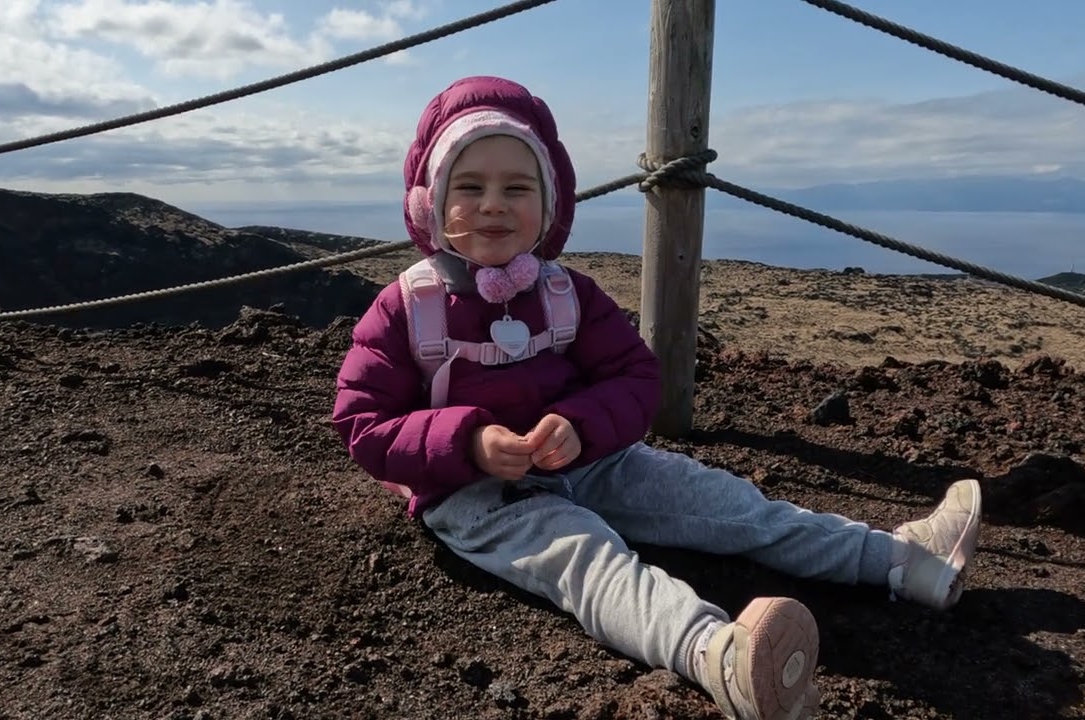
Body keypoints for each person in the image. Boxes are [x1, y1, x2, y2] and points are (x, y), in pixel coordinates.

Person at [331, 75, 982, 720]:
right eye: (469, 187)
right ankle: (723, 660)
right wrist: (468, 441)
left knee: (732, 505)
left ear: (550, 204)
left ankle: (904, 562)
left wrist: (581, 426)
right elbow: (362, 422)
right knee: (588, 560)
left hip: (593, 460)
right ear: (430, 204)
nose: (494, 204)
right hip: (476, 492)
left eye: (517, 187)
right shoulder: (407, 307)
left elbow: (636, 380)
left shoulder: (568, 294)